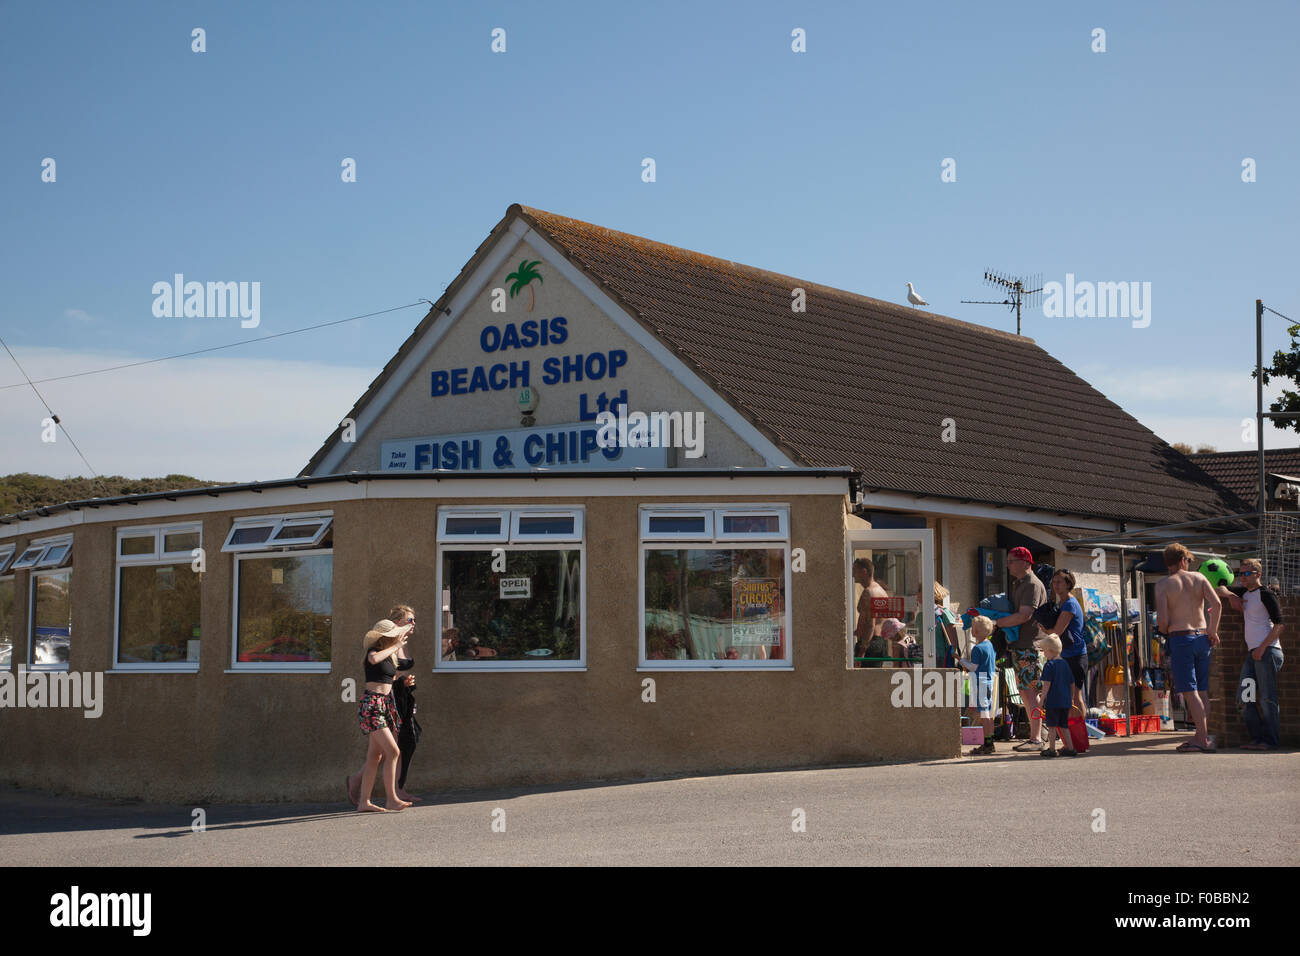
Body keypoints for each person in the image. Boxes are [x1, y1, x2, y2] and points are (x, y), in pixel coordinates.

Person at [1154, 542, 1222, 753]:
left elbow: (1163, 621)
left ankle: (1201, 739)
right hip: (1202, 638)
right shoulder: (1199, 579)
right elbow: (1217, 604)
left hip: (1181, 638)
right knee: (1202, 691)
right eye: (1189, 561)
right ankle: (1201, 735)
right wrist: (1213, 630)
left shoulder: (1163, 585)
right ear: (1183, 560)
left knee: (1190, 692)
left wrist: (1165, 629)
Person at [347, 619, 414, 812]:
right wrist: (397, 646)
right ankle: (391, 799)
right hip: (372, 704)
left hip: (385, 704)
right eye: (393, 635)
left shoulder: (390, 656)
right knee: (393, 751)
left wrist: (404, 682)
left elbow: (390, 678)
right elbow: (374, 660)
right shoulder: (374, 651)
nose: (397, 637)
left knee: (374, 756)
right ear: (385, 637)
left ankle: (364, 802)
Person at [1220, 558, 1285, 750]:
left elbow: (1280, 625)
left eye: (1247, 574)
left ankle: (1270, 741)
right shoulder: (1244, 593)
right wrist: (1232, 596)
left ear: (1258, 574)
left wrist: (1262, 648)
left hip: (1268, 652)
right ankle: (1257, 739)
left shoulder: (1265, 594)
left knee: (1267, 698)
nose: (1242, 578)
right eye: (1241, 574)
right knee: (1245, 697)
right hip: (1254, 654)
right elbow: (1220, 590)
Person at [994, 546, 1049, 751]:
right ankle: (1037, 735)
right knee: (1026, 692)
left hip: (1029, 646)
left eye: (1011, 561)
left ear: (1026, 562)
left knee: (1030, 692)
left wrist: (997, 623)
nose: (1007, 565)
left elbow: (1024, 615)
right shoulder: (1020, 583)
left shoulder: (1031, 585)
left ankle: (1036, 738)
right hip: (1022, 646)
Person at [387, 604, 422, 802]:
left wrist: (405, 681)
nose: (413, 623)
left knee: (408, 740)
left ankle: (400, 788)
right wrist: (400, 680)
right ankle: (395, 791)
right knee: (393, 746)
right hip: (392, 695)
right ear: (397, 622)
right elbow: (384, 669)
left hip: (404, 694)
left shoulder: (403, 641)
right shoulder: (390, 641)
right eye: (410, 620)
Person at [1044, 569, 1088, 717]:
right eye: (1054, 582)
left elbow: (1056, 632)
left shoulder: (1069, 604)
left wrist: (1044, 629)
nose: (1055, 585)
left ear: (1068, 584)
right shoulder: (1062, 603)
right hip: (1066, 655)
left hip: (1075, 656)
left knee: (1075, 696)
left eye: (1059, 582)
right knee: (1068, 697)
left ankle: (1081, 729)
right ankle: (1070, 729)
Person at [960, 615, 998, 755]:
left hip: (980, 682)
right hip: (989, 681)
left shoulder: (977, 648)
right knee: (988, 713)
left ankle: (987, 744)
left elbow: (973, 667)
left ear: (976, 631)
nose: (972, 631)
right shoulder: (989, 645)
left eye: (973, 629)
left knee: (984, 714)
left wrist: (961, 660)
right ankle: (990, 742)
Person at [1036, 635, 1077, 757]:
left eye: (1044, 651)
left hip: (1053, 701)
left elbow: (1046, 685)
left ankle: (1052, 749)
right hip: (1065, 701)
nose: (1043, 654)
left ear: (1051, 650)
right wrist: (1072, 697)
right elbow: (1072, 683)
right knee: (1064, 725)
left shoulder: (1049, 665)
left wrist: (1041, 700)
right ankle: (1070, 748)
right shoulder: (1065, 664)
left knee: (1052, 726)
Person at [852, 557, 891, 667]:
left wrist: (862, 652)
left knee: (862, 681)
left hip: (869, 644)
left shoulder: (869, 593)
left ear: (864, 572)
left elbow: (871, 624)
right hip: (878, 642)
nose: (853, 574)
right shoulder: (881, 590)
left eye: (854, 570)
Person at [917, 581, 961, 667]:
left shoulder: (943, 614)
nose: (916, 594)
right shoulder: (920, 616)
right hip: (921, 658)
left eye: (919, 590)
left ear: (928, 593)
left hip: (940, 660)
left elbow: (952, 644)